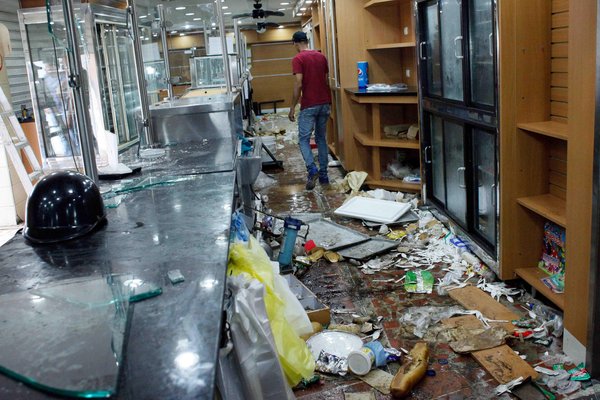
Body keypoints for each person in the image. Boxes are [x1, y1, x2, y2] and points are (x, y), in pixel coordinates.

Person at [288, 31, 332, 190]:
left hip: (309, 105)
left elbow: (299, 83)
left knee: (303, 139)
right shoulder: (321, 57)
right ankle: (324, 176)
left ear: (295, 43)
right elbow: (325, 80)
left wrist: (292, 106)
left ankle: (312, 168)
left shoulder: (298, 59)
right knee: (321, 138)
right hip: (324, 103)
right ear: (306, 41)